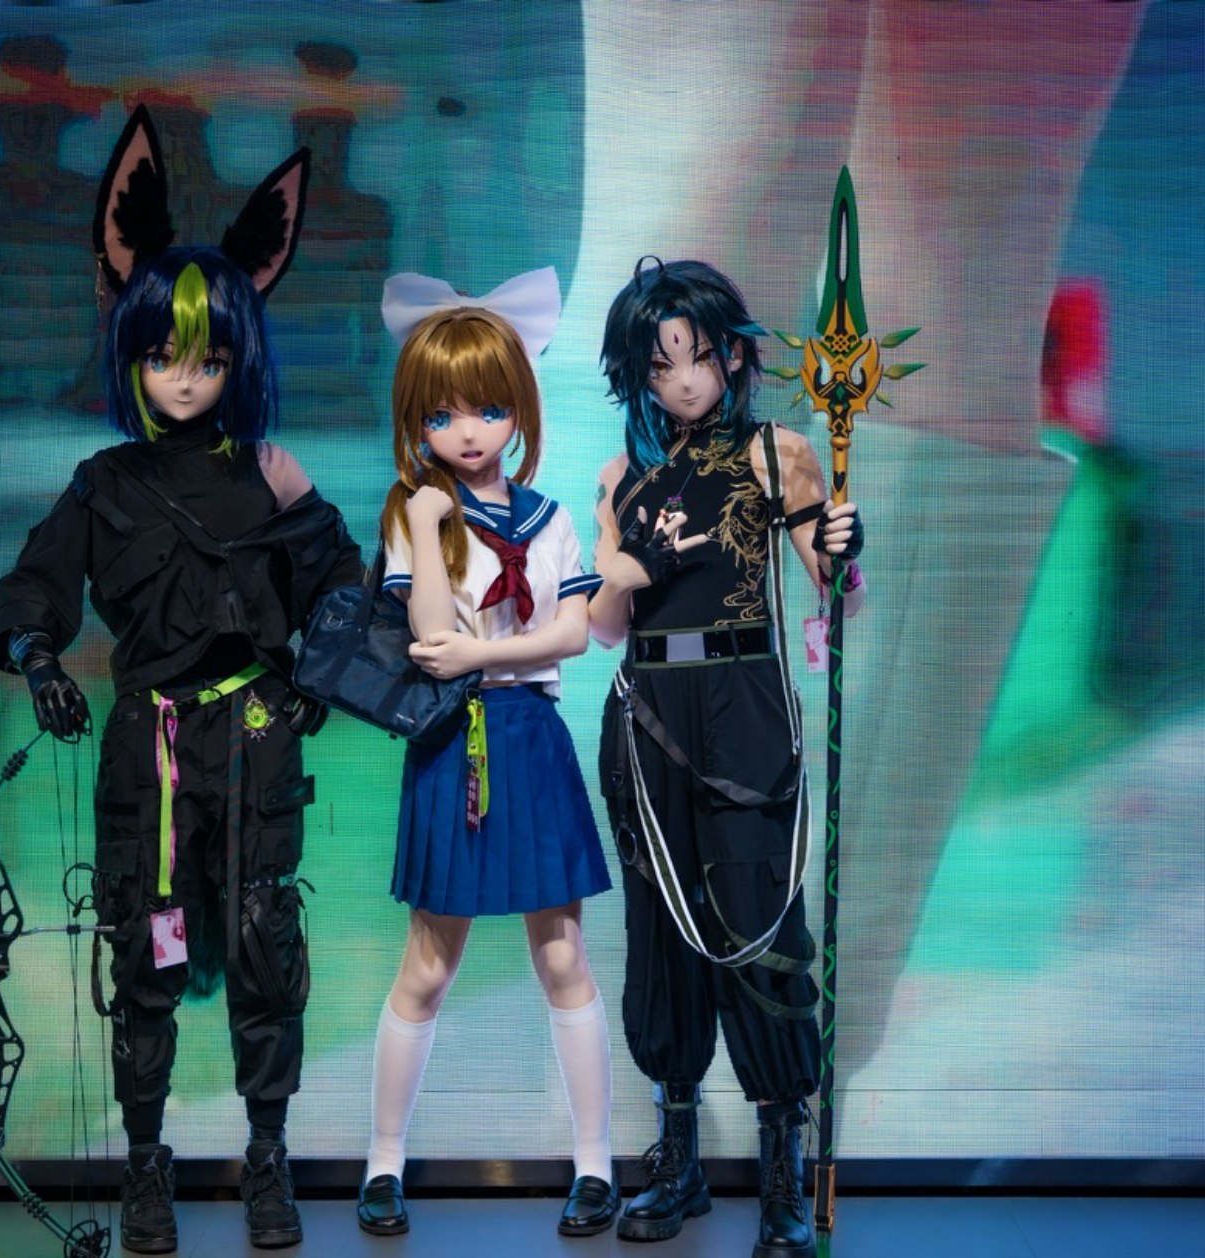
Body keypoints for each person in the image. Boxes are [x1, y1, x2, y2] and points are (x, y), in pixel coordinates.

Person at [0, 107, 362, 1253]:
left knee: (262, 948)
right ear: (134, 354)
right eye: (163, 355)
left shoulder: (272, 472)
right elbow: (36, 586)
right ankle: (146, 1174)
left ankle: (266, 1165)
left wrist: (314, 682)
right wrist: (38, 658)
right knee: (144, 954)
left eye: (206, 357)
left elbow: (342, 586)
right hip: (147, 753)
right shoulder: (103, 483)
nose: (184, 376)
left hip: (252, 743)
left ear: (238, 358)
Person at [589, 259, 864, 1257]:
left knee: (760, 923)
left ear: (733, 356)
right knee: (661, 932)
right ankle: (679, 1162)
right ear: (640, 374)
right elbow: (604, 628)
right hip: (648, 710)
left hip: (743, 700)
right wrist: (626, 567)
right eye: (663, 365)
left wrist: (844, 546)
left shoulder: (774, 453)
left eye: (700, 356)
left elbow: (834, 587)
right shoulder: (622, 477)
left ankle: (783, 1173)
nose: (685, 380)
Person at [354, 269, 618, 1239]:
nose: (468, 432)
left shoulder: (549, 518)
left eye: (488, 409)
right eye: (444, 415)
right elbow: (428, 636)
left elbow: (573, 633)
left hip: (529, 734)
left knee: (562, 953)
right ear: (417, 421)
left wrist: (484, 654)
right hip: (449, 742)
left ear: (519, 409)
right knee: (428, 962)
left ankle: (595, 1166)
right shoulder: (413, 515)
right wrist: (428, 528)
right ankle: (384, 1163)